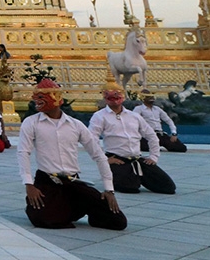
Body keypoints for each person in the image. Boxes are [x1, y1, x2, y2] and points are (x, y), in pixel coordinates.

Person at [19, 79, 126, 230]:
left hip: (72, 181)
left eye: (42, 97)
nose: (36, 101)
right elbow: (23, 152)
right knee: (44, 219)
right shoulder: (31, 123)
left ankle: (77, 210)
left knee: (118, 221)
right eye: (36, 97)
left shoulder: (76, 125)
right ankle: (63, 210)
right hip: (47, 181)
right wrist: (29, 184)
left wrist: (109, 189)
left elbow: (99, 156)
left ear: (56, 98)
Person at [88, 82, 175, 195]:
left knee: (168, 187)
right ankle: (125, 177)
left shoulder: (134, 116)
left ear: (123, 96)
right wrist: (104, 160)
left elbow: (151, 135)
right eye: (109, 96)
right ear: (105, 97)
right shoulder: (99, 116)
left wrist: (153, 156)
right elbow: (91, 139)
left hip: (137, 158)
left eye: (117, 95)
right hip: (117, 159)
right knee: (130, 188)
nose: (114, 99)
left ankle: (136, 176)